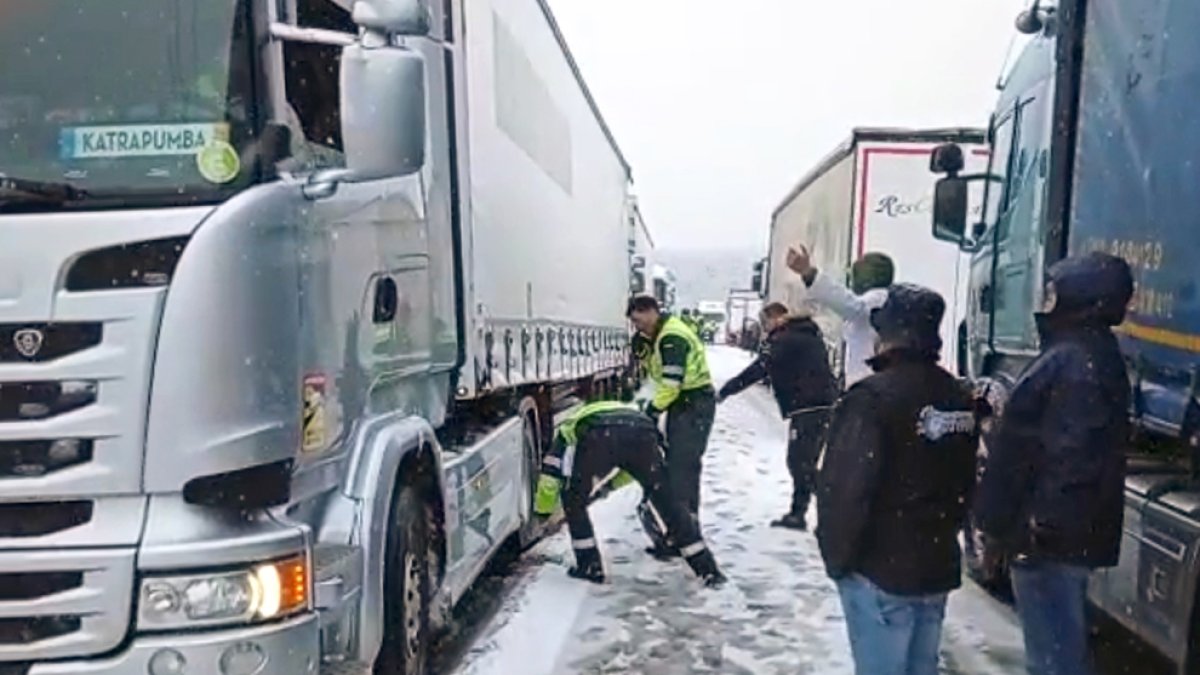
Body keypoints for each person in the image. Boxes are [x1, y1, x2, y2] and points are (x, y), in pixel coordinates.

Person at [974, 252, 1133, 675]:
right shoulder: (1081, 353)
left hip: (1049, 540)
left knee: (1053, 657)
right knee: (1054, 649)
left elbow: (1070, 456)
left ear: (1081, 298)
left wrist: (1037, 526)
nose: (1046, 299)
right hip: (1052, 534)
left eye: (1055, 291)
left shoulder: (1077, 362)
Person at [816, 284, 979, 675]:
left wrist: (837, 558)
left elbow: (845, 491)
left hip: (880, 566)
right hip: (935, 562)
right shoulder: (956, 395)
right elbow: (966, 481)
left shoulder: (871, 398)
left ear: (886, 334)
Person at [533, 398, 726, 588]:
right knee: (667, 502)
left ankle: (590, 567)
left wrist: (543, 513)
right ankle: (708, 570)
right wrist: (608, 488)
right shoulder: (628, 413)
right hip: (643, 433)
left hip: (597, 434)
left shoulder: (567, 430)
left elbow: (550, 477)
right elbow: (631, 469)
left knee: (574, 500)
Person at [716, 301, 836, 530]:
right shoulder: (806, 333)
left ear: (776, 318)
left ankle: (832, 508)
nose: (764, 328)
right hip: (820, 403)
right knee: (804, 462)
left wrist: (726, 390)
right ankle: (803, 513)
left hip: (807, 406)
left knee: (800, 463)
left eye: (765, 323)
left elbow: (759, 368)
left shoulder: (784, 339)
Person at [626, 294, 716, 557]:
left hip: (693, 404)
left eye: (637, 319)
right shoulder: (662, 334)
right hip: (686, 405)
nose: (637, 326)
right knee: (678, 467)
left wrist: (652, 412)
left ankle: (686, 535)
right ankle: (682, 530)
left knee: (683, 468)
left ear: (651, 311)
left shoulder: (671, 338)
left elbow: (671, 384)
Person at [785, 244, 894, 387]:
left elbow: (845, 302)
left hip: (869, 385)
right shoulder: (889, 300)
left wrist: (808, 273)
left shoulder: (874, 301)